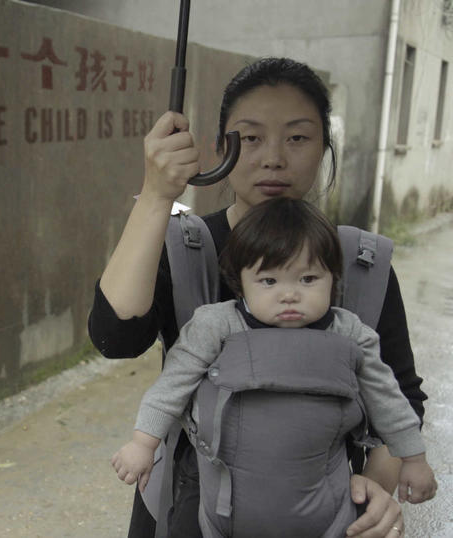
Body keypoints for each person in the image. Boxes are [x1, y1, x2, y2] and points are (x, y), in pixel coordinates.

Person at [88, 57, 427, 537]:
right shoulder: (186, 248)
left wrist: (375, 488)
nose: (273, 157)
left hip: (319, 518)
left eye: (297, 137)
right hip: (187, 513)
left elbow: (402, 396)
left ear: (324, 148)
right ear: (219, 147)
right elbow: (114, 336)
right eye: (249, 138)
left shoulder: (359, 262)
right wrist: (157, 193)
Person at [111, 197, 436, 537]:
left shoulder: (351, 333)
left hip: (320, 492)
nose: (289, 295)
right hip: (216, 488)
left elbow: (389, 400)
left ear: (333, 278)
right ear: (240, 281)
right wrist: (142, 443)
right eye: (269, 281)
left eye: (308, 278)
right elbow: (171, 386)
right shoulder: (217, 326)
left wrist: (413, 459)